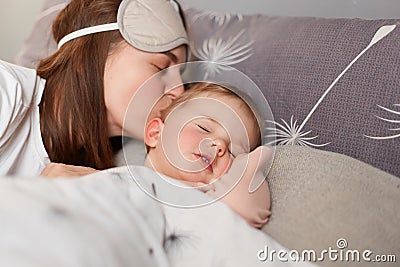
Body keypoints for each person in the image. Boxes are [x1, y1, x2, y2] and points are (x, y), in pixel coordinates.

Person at [0, 0, 188, 177]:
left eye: (180, 73)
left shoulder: (109, 173)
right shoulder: (7, 90)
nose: (179, 92)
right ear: (85, 59)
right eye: (160, 68)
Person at [143, 82, 272, 228]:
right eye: (203, 128)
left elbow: (243, 208)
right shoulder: (124, 179)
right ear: (155, 134)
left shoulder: (207, 200)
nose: (219, 145)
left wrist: (254, 161)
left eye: (233, 153)